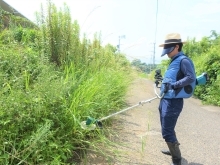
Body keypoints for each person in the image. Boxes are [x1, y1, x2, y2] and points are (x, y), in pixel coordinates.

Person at [158, 33, 196, 165]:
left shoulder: (184, 60)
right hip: (165, 99)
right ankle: (172, 149)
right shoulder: (174, 61)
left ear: (176, 47)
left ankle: (177, 159)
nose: (167, 52)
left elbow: (190, 77)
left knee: (167, 130)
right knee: (166, 126)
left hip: (173, 101)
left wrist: (174, 85)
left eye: (168, 48)